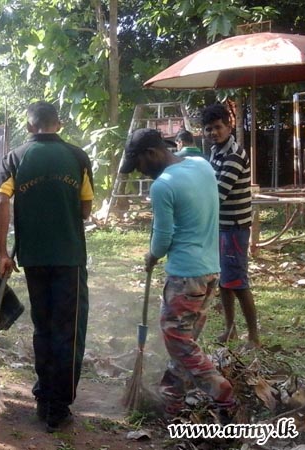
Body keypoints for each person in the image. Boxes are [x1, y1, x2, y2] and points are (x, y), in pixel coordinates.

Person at [119, 128, 235, 419]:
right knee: (186, 337)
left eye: (140, 166)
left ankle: (219, 389)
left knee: (178, 340)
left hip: (185, 276)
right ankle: (173, 398)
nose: (142, 173)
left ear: (151, 154)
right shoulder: (201, 165)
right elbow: (184, 154)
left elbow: (162, 239)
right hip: (211, 271)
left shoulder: (163, 186)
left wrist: (151, 256)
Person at [0, 101, 93, 432]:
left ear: (29, 127)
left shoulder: (15, 157)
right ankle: (58, 408)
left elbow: (0, 202)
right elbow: (85, 210)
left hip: (32, 258)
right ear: (59, 124)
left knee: (44, 326)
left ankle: (42, 396)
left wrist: (2, 252)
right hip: (70, 259)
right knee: (69, 330)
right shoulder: (78, 157)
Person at [201, 103, 259, 348]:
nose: (214, 132)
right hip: (221, 225)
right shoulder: (216, 151)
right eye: (209, 129)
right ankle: (230, 329)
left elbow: (219, 193)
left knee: (237, 282)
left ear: (229, 126)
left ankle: (254, 337)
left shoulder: (234, 155)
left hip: (234, 227)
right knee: (223, 279)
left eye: (218, 127)